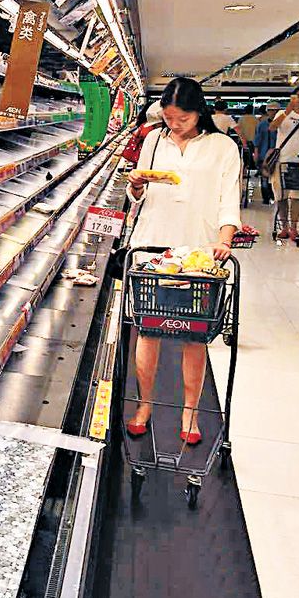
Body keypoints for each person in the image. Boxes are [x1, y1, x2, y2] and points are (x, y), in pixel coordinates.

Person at [125, 78, 242, 445]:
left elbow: (229, 198)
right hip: (152, 247)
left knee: (194, 335)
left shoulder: (222, 146)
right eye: (170, 118)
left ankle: (189, 411)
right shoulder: (152, 140)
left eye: (183, 118)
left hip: (198, 252)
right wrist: (137, 187)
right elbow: (137, 194)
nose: (175, 125)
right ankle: (145, 405)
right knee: (148, 329)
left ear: (199, 111)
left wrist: (224, 241)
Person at [270, 85, 299, 240]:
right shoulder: (282, 114)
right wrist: (287, 111)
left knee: (297, 197)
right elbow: (272, 127)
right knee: (281, 197)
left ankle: (293, 228)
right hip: (282, 160)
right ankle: (284, 227)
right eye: (298, 96)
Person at [254, 102, 280, 203]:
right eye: (270, 110)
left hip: (278, 155)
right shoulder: (261, 125)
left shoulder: (282, 124)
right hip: (263, 154)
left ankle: (275, 197)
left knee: (276, 178)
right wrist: (256, 153)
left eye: (275, 111)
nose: (272, 113)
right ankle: (266, 198)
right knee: (264, 178)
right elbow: (257, 140)